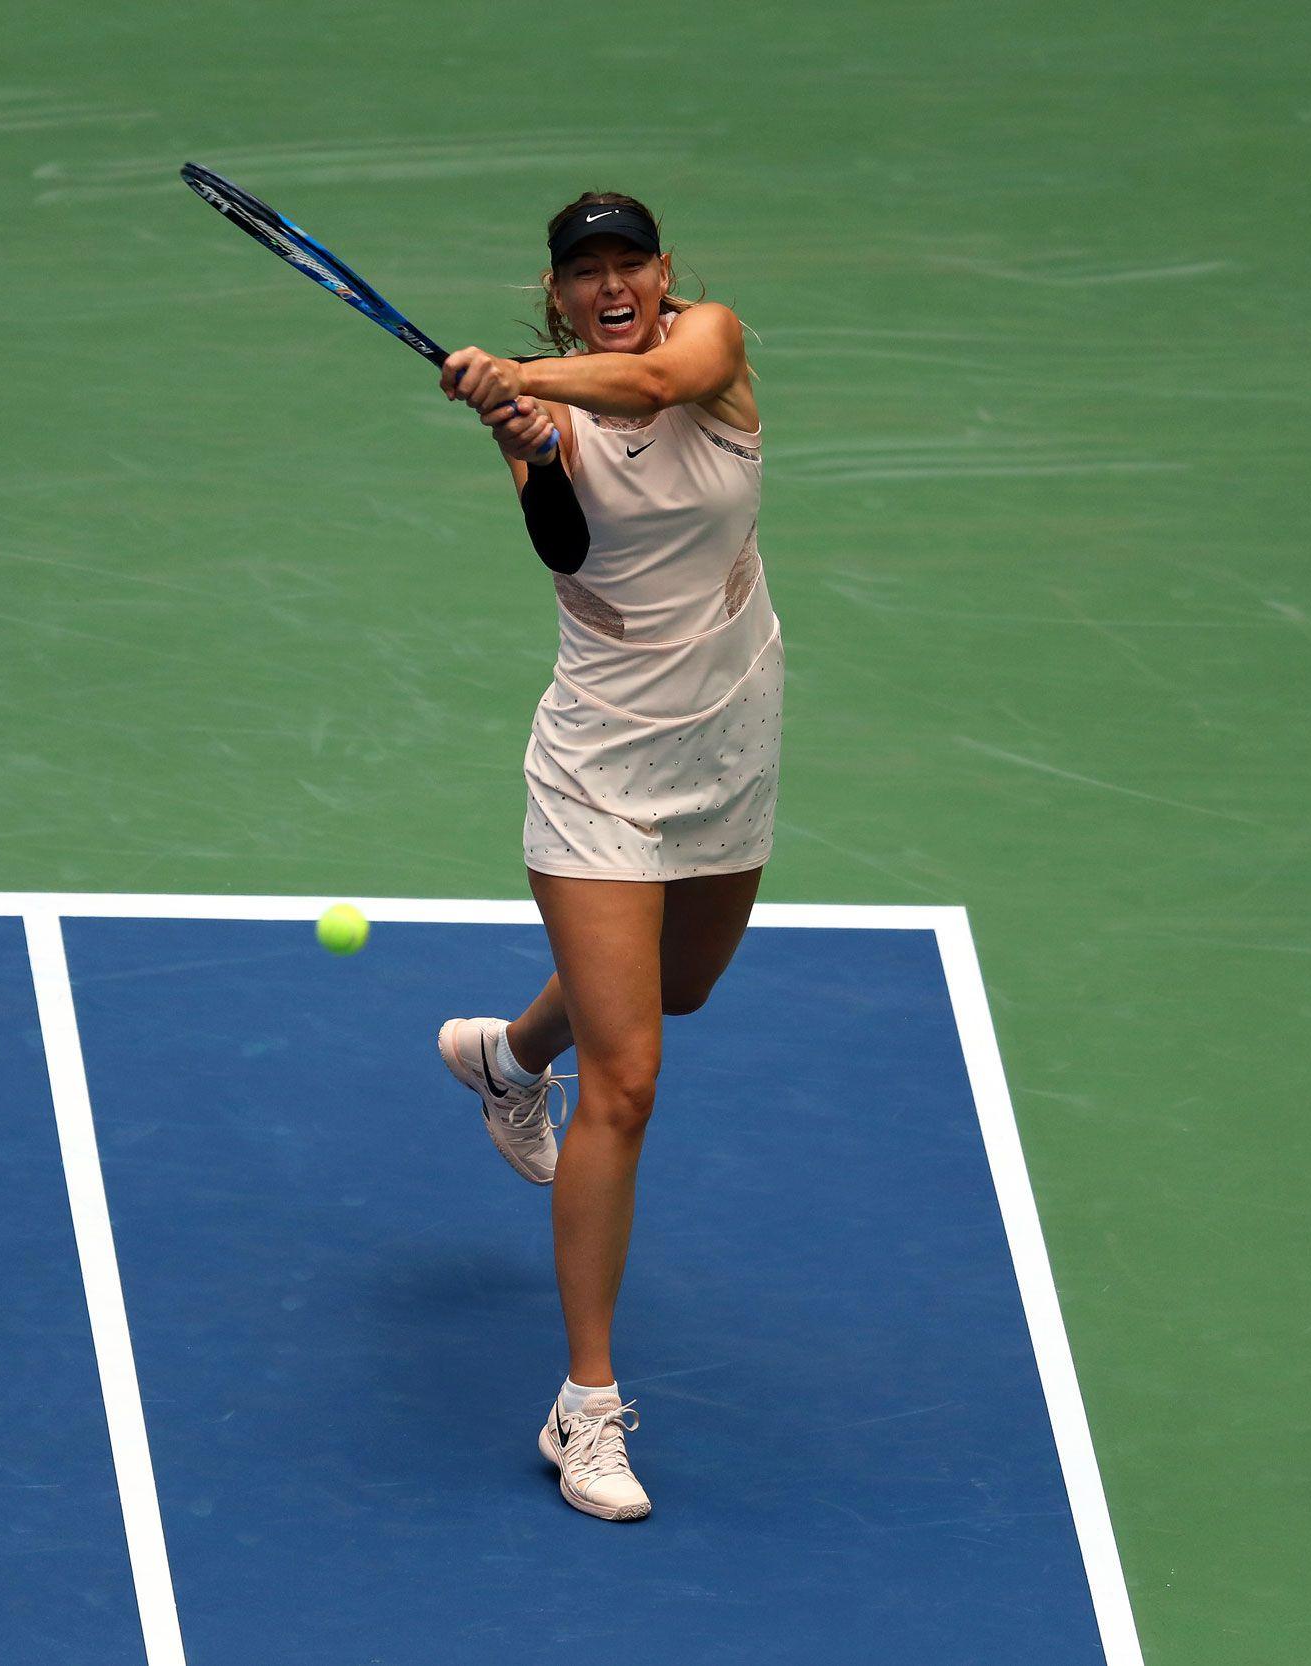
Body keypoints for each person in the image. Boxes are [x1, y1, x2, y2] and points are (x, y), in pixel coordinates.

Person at [432, 191, 779, 1523]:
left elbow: (656, 383)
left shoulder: (711, 347)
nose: (613, 283)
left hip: (729, 748)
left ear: (667, 272)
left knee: (678, 988)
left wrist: (523, 376)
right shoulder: (545, 417)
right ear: (560, 291)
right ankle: (585, 1407)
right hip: (599, 772)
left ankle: (509, 1058)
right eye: (588, 271)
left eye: (632, 260)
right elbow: (565, 547)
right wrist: (526, 438)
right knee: (627, 1078)